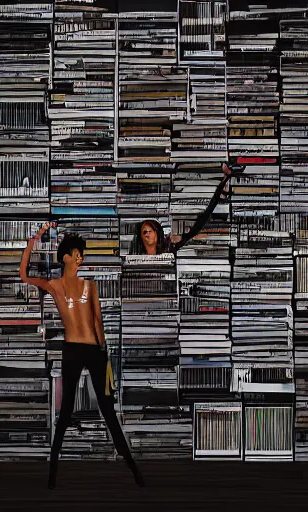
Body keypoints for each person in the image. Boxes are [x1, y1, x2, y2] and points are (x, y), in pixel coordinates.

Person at [20, 225, 144, 489]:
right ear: (65, 256)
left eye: (82, 255)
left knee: (108, 412)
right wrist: (34, 240)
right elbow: (23, 274)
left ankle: (134, 469)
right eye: (77, 253)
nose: (81, 258)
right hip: (73, 350)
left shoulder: (90, 285)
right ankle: (52, 474)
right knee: (65, 412)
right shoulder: (54, 285)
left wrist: (106, 355)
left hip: (95, 350)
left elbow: (97, 321)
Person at [130, 162, 243, 255]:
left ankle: (224, 183)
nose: (147, 234)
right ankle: (223, 185)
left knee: (201, 220)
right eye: (145, 232)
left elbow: (197, 226)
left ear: (157, 233)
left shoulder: (168, 248)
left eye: (150, 231)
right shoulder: (138, 253)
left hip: (191, 204)